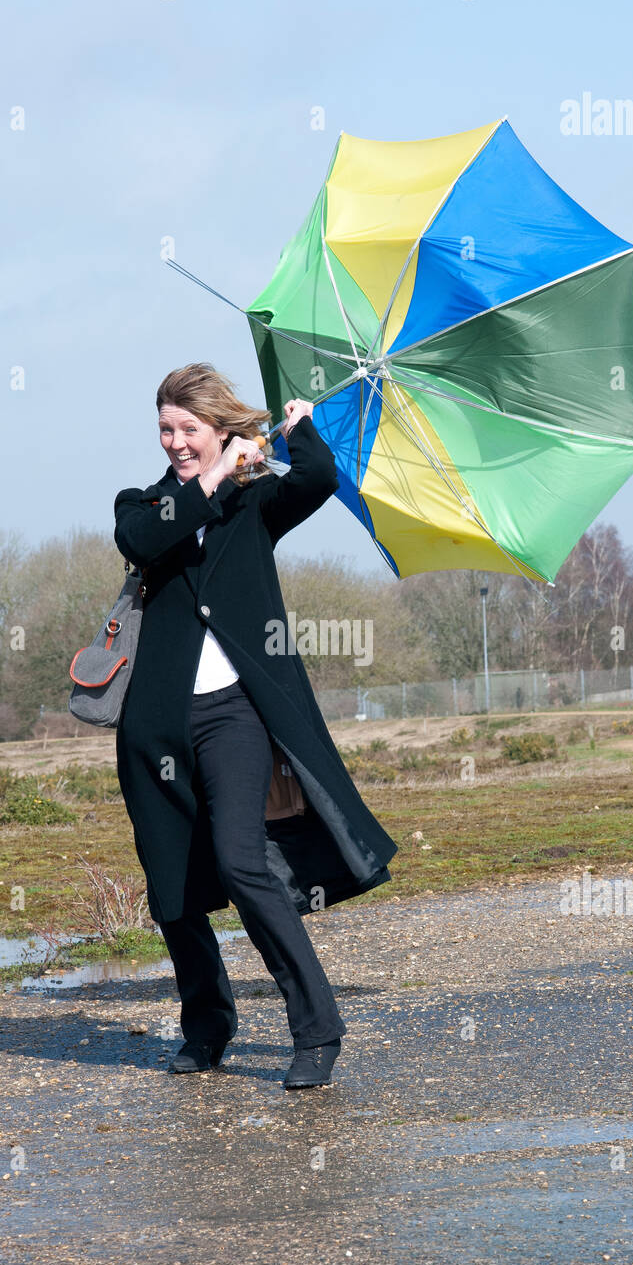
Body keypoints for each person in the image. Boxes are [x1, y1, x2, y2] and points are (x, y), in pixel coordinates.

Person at [113, 363, 398, 1089]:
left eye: (189, 430)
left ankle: (316, 1029)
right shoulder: (142, 505)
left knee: (242, 861)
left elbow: (317, 479)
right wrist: (211, 478)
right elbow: (148, 540)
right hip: (155, 729)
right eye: (166, 430)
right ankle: (207, 1027)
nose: (176, 441)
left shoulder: (256, 503)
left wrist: (297, 427)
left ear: (219, 429)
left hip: (234, 714)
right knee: (172, 887)